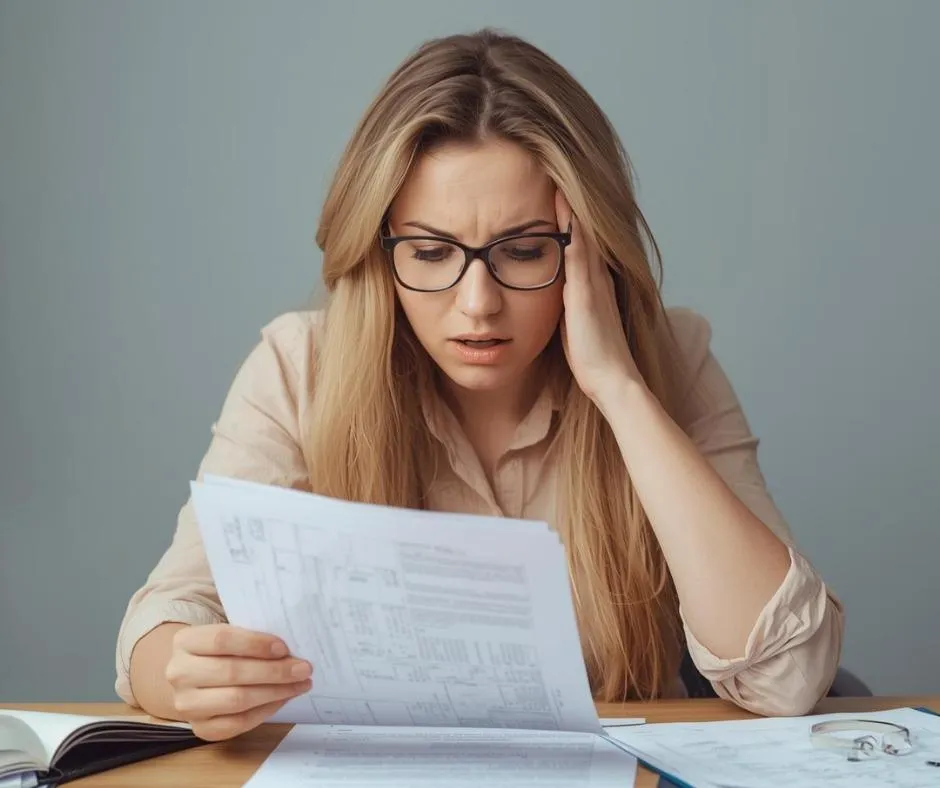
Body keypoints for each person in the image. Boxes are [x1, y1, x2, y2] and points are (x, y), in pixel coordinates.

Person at [115, 29, 844, 741]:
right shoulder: (297, 368)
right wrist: (180, 671)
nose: (477, 303)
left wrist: (618, 387)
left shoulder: (668, 362)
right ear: (378, 247)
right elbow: (165, 619)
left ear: (589, 245)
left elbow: (788, 674)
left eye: (523, 250)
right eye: (430, 252)